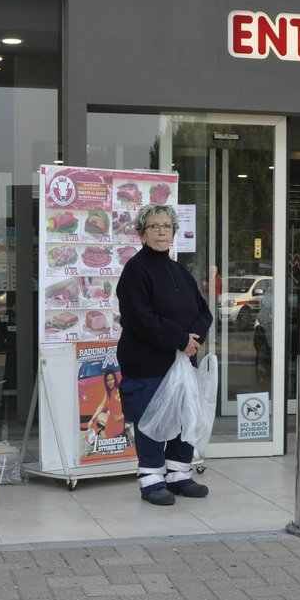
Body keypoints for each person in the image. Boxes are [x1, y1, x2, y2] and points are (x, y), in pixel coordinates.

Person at [115, 203, 213, 506]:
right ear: (141, 233)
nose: (161, 231)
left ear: (173, 232)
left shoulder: (178, 270)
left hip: (182, 360)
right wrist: (181, 338)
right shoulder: (136, 270)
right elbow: (140, 318)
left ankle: (179, 474)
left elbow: (202, 311)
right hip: (149, 362)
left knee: (184, 418)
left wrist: (193, 339)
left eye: (167, 226)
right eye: (154, 226)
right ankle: (152, 480)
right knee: (153, 420)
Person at [86, 368, 125, 449]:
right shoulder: (109, 392)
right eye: (107, 380)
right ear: (105, 381)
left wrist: (123, 415)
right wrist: (91, 419)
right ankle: (94, 433)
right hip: (112, 418)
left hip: (117, 422)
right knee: (98, 416)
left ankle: (94, 435)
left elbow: (129, 403)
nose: (110, 382)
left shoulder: (118, 391)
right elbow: (101, 405)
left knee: (104, 435)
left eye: (112, 379)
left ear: (115, 379)